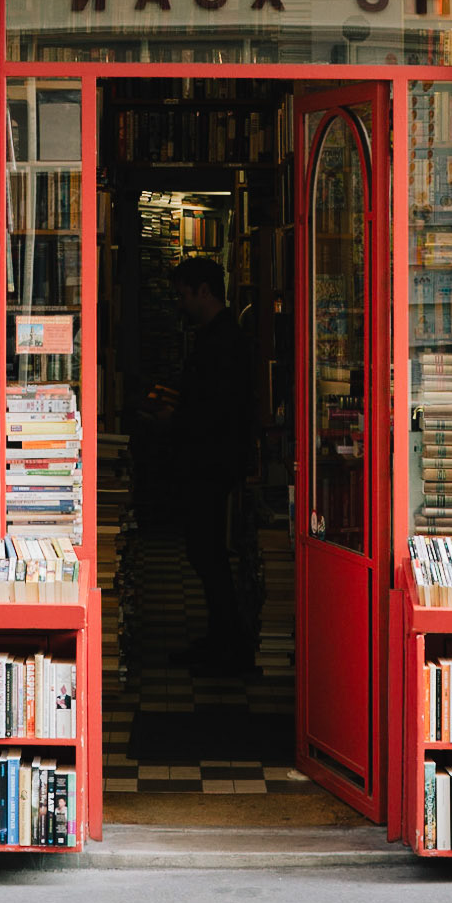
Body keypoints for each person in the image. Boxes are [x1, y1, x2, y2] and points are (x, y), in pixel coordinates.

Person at [169, 256, 258, 672]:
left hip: (209, 462)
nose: (179, 303)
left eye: (184, 294)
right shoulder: (223, 337)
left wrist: (177, 420)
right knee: (207, 552)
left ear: (204, 291)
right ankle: (224, 637)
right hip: (213, 460)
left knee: (208, 552)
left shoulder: (222, 342)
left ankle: (228, 642)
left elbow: (216, 409)